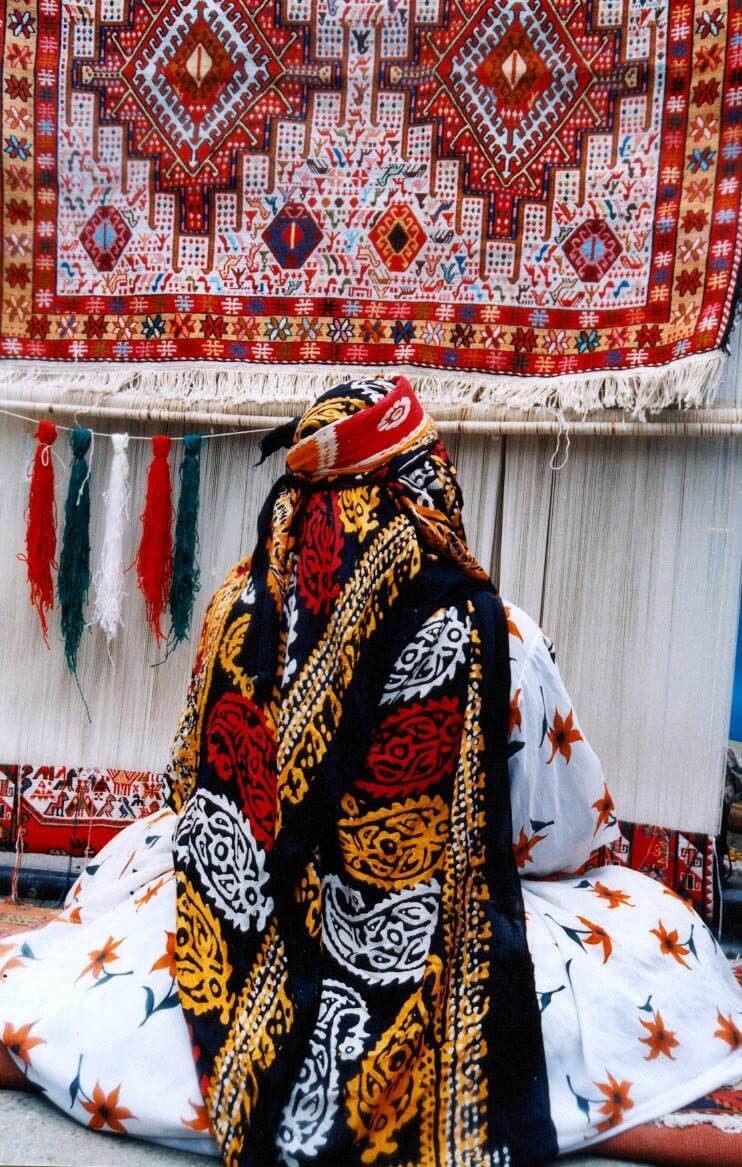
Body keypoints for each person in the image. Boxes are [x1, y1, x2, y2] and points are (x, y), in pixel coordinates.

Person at [1, 376, 740, 1167]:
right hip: (428, 944)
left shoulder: (235, 609)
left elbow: (189, 784)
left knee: (125, 912)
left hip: (241, 919)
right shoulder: (491, 627)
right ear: (422, 482)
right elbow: (563, 833)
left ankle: (184, 1064)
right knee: (650, 938)